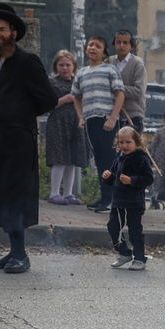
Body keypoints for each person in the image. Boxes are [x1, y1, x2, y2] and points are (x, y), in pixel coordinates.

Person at [0, 2, 58, 275]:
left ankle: (21, 255)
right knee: (0, 196)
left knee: (14, 196)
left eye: (2, 29)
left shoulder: (26, 61)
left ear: (13, 33)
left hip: (18, 141)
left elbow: (49, 99)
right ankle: (13, 251)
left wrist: (19, 113)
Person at [73, 35, 125, 212]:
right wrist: (81, 117)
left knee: (109, 159)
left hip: (106, 120)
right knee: (99, 160)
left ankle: (113, 199)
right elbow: (76, 97)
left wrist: (112, 118)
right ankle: (104, 197)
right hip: (91, 120)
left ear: (104, 52)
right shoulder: (81, 73)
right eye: (90, 45)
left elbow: (120, 95)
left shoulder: (110, 69)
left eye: (97, 46)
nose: (93, 48)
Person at [102, 126, 155, 271]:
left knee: (134, 231)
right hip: (118, 202)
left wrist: (132, 180)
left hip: (134, 202)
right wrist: (108, 177)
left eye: (128, 142)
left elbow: (149, 179)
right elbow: (114, 179)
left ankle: (139, 258)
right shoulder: (119, 158)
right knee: (113, 227)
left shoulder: (141, 158)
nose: (124, 145)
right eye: (121, 142)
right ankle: (124, 253)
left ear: (137, 142)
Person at [45, 49, 88, 205]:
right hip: (58, 123)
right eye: (61, 65)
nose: (64, 68)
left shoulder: (78, 82)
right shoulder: (51, 82)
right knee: (59, 157)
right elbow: (47, 105)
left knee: (72, 158)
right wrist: (65, 99)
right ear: (56, 66)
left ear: (73, 66)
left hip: (75, 122)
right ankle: (54, 193)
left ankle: (68, 193)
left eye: (68, 65)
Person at [109, 29, 147, 133]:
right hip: (112, 116)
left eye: (125, 43)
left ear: (131, 46)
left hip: (132, 116)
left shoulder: (137, 64)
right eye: (118, 42)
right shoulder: (109, 62)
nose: (121, 45)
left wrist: (118, 89)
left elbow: (139, 91)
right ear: (114, 44)